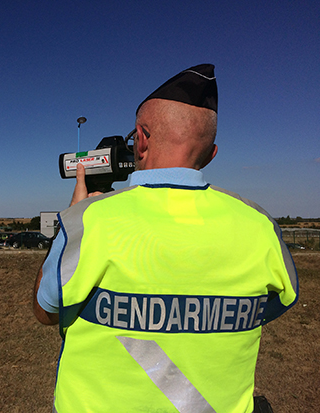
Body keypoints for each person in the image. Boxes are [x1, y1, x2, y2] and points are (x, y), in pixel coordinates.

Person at [33, 64, 298, 413]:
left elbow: (45, 310)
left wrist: (73, 221)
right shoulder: (260, 224)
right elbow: (277, 303)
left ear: (141, 140)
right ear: (211, 153)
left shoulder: (88, 221)